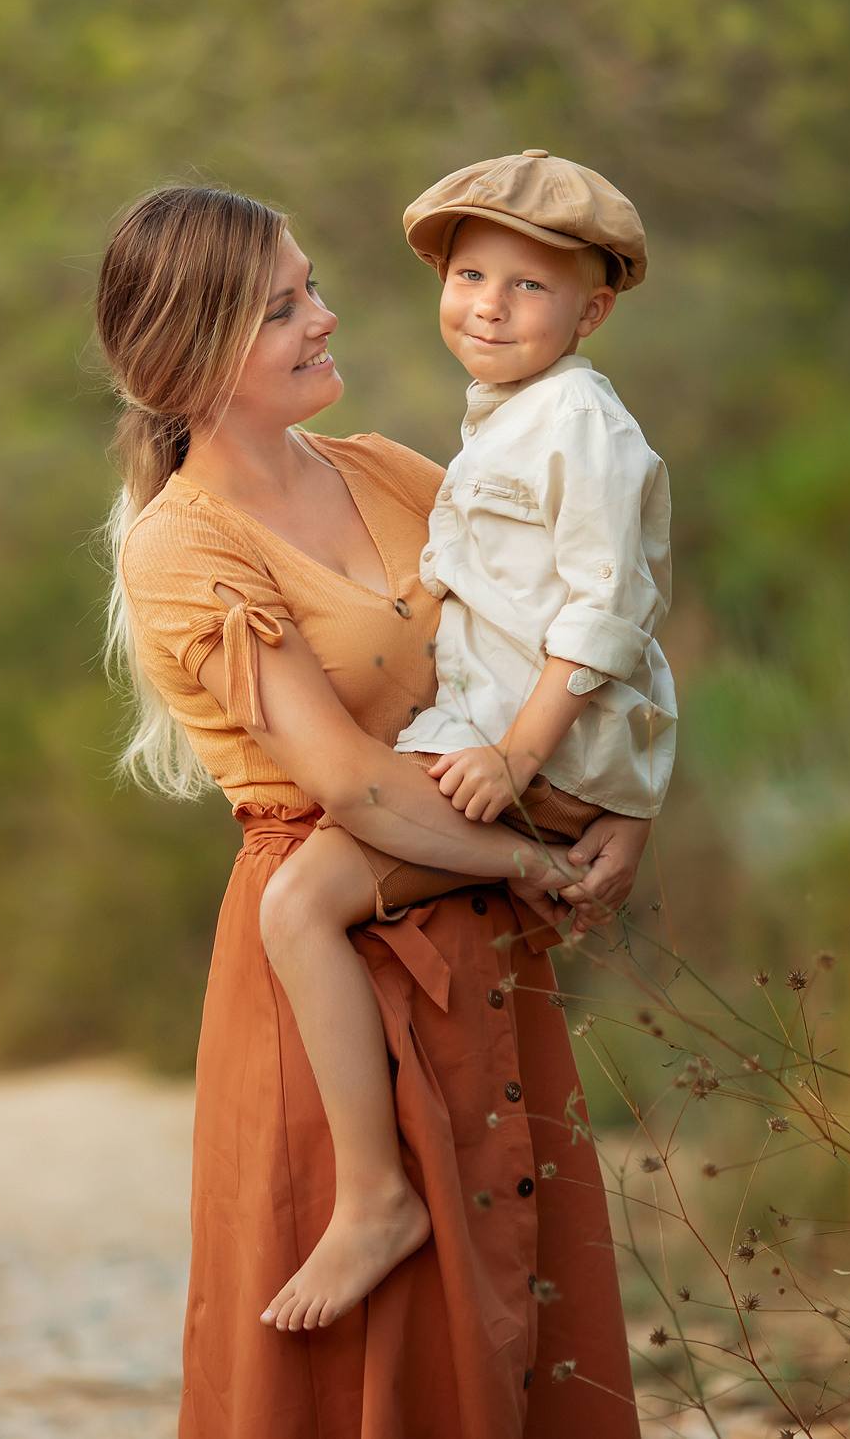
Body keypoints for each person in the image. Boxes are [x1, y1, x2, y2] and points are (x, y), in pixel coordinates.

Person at [102, 184, 645, 1438]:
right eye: (286, 306)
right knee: (374, 1353)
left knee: (515, 1304)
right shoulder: (181, 547)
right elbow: (345, 780)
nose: (327, 317)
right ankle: (369, 1196)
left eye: (313, 288)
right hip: (328, 956)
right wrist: (531, 858)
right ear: (196, 350)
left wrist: (622, 805)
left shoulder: (398, 474)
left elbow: (564, 627)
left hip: (476, 930)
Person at [256, 152, 675, 1336]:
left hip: (520, 756)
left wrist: (525, 760)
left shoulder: (579, 424)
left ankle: (376, 1199)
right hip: (509, 743)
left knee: (296, 906)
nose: (488, 305)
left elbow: (610, 610)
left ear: (593, 311)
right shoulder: (510, 419)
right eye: (471, 274)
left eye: (529, 288)